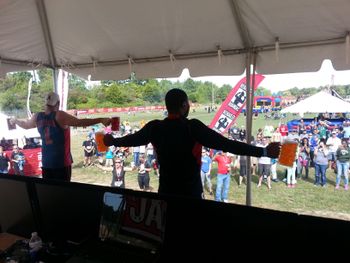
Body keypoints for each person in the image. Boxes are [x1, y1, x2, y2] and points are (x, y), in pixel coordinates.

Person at [103, 88, 280, 199]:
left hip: (165, 193)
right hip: (190, 194)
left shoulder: (154, 127)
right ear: (183, 106)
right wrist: (263, 152)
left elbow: (132, 140)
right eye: (187, 103)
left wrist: (113, 141)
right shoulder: (192, 127)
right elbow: (227, 144)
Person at [11, 91, 111, 181]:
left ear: (45, 103)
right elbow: (80, 122)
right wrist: (100, 119)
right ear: (58, 103)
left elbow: (25, 125)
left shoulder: (37, 116)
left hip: (46, 162)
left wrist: (15, 121)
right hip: (61, 163)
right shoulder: (59, 115)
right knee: (63, 192)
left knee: (49, 191)